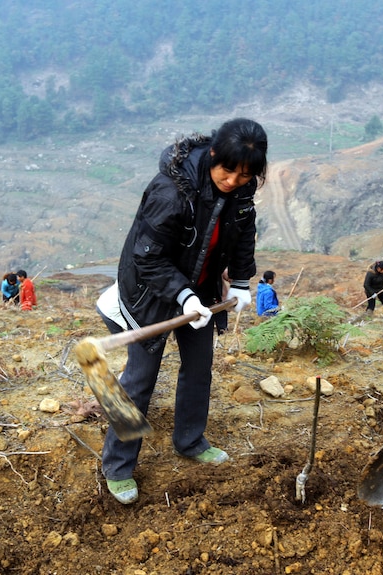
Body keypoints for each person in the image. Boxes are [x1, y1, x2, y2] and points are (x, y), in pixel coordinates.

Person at [99, 118, 268, 505]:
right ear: (213, 155)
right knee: (139, 378)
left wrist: (241, 282)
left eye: (245, 175)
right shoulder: (170, 192)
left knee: (198, 368)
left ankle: (190, 441)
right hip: (151, 293)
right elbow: (149, 258)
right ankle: (118, 465)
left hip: (203, 291)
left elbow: (243, 237)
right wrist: (183, 296)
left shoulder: (242, 194)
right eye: (228, 170)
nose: (233, 181)